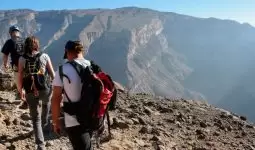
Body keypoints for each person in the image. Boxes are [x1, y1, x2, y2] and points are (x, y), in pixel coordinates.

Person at [51, 40, 92, 150]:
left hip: (73, 119)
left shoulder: (62, 70)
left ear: (68, 52)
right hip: (92, 116)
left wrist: (55, 122)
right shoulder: (92, 66)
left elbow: (55, 98)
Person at [17, 36, 55, 150]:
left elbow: (20, 76)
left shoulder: (22, 59)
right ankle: (45, 123)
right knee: (46, 104)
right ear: (37, 45)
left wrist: (21, 90)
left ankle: (40, 145)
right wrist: (56, 87)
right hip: (45, 88)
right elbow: (52, 74)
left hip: (29, 90)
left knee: (35, 119)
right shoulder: (45, 56)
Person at [1, 25, 28, 109]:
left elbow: (5, 54)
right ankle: (28, 99)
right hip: (27, 66)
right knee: (26, 83)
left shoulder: (9, 41)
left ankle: (24, 100)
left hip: (17, 66)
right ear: (18, 32)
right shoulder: (24, 41)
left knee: (19, 84)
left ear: (10, 33)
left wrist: (5, 64)